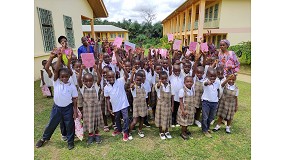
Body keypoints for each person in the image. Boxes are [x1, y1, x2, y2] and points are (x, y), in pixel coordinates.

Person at [36, 52, 78, 150]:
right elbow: (48, 69)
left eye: (66, 76)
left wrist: (75, 111)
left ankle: (70, 141)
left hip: (68, 108)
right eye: (62, 76)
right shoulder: (56, 82)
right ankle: (44, 138)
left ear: (69, 76)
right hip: (57, 108)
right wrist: (54, 57)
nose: (64, 78)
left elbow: (75, 98)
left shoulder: (71, 85)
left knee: (69, 124)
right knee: (52, 123)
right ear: (58, 76)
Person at [77, 62, 103, 145]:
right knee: (89, 122)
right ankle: (91, 135)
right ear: (83, 81)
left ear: (93, 80)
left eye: (90, 81)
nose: (88, 83)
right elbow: (78, 80)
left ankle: (97, 134)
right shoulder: (82, 88)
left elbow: (99, 79)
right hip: (87, 110)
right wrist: (81, 70)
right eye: (86, 81)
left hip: (96, 108)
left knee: (96, 121)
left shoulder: (95, 86)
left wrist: (96, 70)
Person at [104, 59, 130, 141]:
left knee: (126, 118)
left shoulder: (120, 81)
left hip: (123, 104)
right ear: (106, 78)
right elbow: (107, 98)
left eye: (113, 77)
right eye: (109, 77)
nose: (111, 78)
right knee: (116, 119)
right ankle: (118, 129)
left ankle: (125, 132)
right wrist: (108, 108)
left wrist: (123, 68)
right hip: (115, 105)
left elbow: (127, 76)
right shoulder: (106, 87)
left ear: (115, 76)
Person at [128, 71, 148, 140]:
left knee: (142, 119)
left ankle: (140, 130)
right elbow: (131, 83)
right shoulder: (133, 87)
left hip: (143, 105)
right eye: (137, 80)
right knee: (135, 121)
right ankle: (129, 132)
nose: (138, 82)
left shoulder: (143, 86)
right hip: (136, 106)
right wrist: (133, 74)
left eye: (140, 80)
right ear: (134, 80)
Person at [201, 67, 220, 138]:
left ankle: (207, 128)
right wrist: (208, 83)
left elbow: (217, 90)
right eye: (211, 76)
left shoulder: (217, 82)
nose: (213, 78)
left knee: (211, 117)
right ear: (207, 76)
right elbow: (205, 84)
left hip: (214, 102)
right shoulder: (205, 81)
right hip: (206, 102)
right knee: (205, 117)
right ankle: (204, 130)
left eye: (214, 76)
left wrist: (217, 98)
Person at [155, 71, 173, 140]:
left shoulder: (170, 85)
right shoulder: (158, 85)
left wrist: (172, 105)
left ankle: (166, 131)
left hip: (168, 105)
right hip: (160, 105)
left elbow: (172, 96)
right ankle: (161, 132)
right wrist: (159, 82)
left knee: (167, 118)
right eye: (162, 79)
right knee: (160, 119)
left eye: (165, 78)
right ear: (160, 79)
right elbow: (158, 86)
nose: (164, 80)